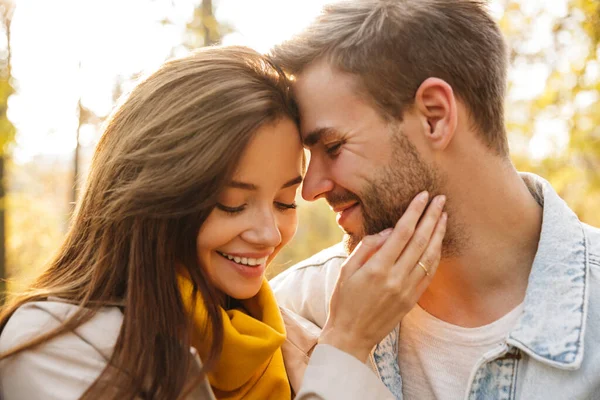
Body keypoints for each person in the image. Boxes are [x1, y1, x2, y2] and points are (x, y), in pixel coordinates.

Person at [0, 46, 447, 400]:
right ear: (152, 199)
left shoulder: (292, 340)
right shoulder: (53, 346)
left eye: (284, 202)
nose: (269, 235)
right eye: (232, 204)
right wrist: (347, 347)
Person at [269, 1, 600, 399]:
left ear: (434, 116)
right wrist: (340, 351)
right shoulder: (292, 313)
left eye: (333, 146)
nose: (311, 188)